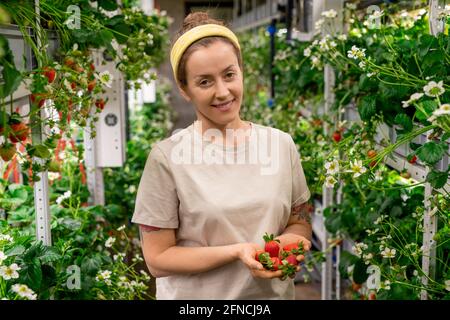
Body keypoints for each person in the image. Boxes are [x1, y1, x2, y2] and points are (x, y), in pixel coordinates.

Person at [131, 12, 312, 300]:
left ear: (242, 71)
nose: (223, 92)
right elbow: (157, 258)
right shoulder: (167, 158)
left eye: (229, 75)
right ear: (185, 89)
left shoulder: (280, 145)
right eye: (204, 82)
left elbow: (298, 221)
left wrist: (288, 245)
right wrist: (239, 252)